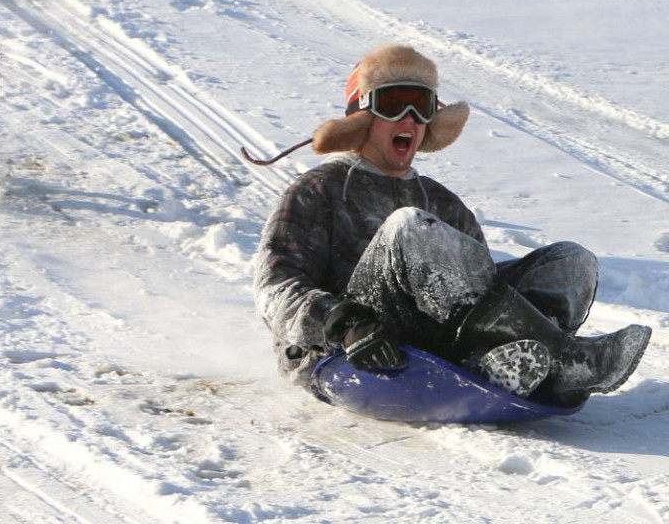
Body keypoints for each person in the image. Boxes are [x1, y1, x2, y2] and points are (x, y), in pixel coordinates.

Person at [253, 43, 651, 402]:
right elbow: (275, 285)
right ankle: (567, 361)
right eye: (394, 105)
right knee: (409, 227)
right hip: (354, 348)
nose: (408, 119)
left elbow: (481, 287)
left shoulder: (442, 201)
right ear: (362, 117)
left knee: (570, 260)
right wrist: (343, 323)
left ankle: (519, 360)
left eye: (421, 107)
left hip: (436, 341)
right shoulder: (319, 189)